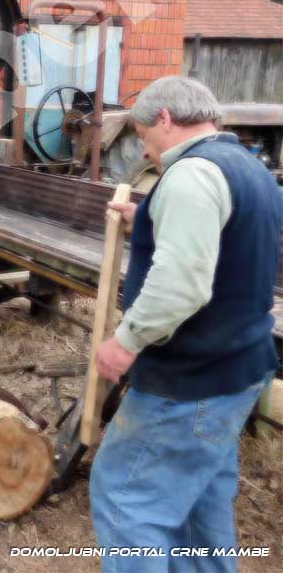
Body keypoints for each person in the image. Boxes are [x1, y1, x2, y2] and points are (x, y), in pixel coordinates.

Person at [90, 76, 281, 571]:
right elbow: (225, 239)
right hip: (239, 368)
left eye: (143, 135)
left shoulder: (190, 175)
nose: (145, 149)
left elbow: (181, 285)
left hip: (190, 380)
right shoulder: (250, 168)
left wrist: (125, 342)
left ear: (165, 118)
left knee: (126, 501)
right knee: (200, 503)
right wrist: (148, 218)